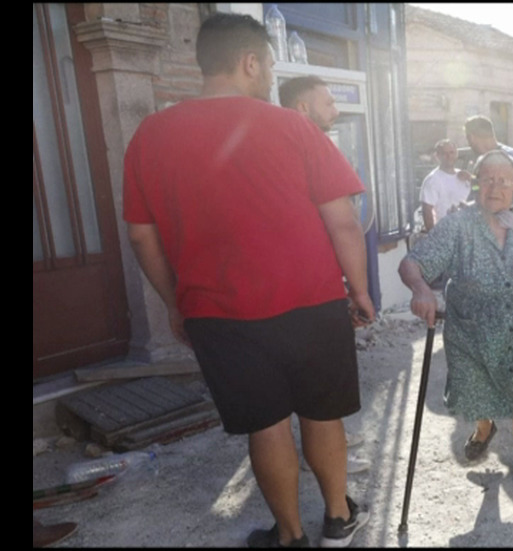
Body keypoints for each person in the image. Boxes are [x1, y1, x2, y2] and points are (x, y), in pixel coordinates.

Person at [123, 13, 372, 548]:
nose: (270, 80)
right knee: (322, 415)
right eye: (270, 67)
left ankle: (289, 536)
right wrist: (361, 289)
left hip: (218, 313)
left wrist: (174, 304)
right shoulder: (294, 127)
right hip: (311, 302)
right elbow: (344, 220)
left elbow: (142, 237)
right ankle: (337, 519)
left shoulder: (151, 133)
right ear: (250, 61)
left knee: (266, 425)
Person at [398, 150, 513, 492]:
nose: (495, 188)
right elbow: (413, 263)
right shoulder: (459, 224)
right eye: (488, 179)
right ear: (475, 183)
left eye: (504, 180)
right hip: (469, 330)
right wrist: (421, 289)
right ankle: (485, 429)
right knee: (474, 391)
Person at [278, 74, 371, 476]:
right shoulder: (302, 143)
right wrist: (360, 289)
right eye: (329, 103)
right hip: (308, 289)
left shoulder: (274, 142)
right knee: (318, 394)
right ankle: (330, 465)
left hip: (292, 284)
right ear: (302, 107)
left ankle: (331, 446)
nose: (336, 110)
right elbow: (344, 224)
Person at [418, 139, 470, 231]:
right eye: (444, 153)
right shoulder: (432, 180)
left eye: (452, 152)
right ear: (438, 156)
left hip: (466, 233)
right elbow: (427, 211)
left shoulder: (464, 176)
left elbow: (478, 192)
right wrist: (433, 236)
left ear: (457, 154)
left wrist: (472, 179)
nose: (449, 156)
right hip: (445, 233)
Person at [458, 115, 513, 183]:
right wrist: (472, 180)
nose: (469, 145)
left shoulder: (509, 157)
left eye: (467, 138)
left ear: (471, 137)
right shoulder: (512, 155)